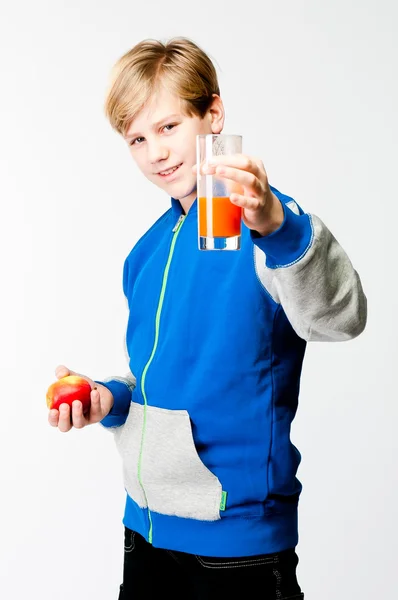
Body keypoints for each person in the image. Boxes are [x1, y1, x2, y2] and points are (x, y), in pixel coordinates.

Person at [48, 37, 367, 599]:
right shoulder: (146, 253)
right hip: (144, 533)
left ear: (212, 115)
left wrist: (276, 225)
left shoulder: (272, 229)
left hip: (237, 548)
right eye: (137, 139)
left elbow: (340, 319)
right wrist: (109, 397)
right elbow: (154, 373)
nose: (155, 153)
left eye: (169, 127)